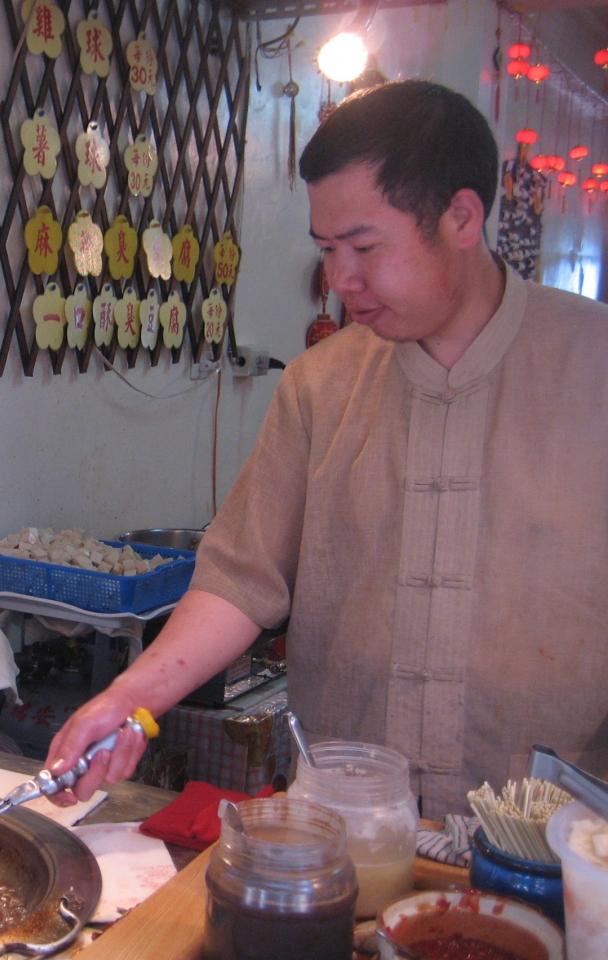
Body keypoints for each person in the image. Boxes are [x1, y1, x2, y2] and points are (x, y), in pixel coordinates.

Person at [44, 80, 608, 818]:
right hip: (347, 824)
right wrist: (128, 698)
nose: (340, 279)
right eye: (327, 249)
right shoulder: (322, 382)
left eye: (364, 247)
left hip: (560, 842)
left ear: (462, 218)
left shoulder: (592, 368)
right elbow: (241, 578)